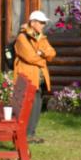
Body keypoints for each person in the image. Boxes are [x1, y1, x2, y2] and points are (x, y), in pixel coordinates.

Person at [14, 10, 56, 144]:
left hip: (39, 80)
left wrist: (41, 52)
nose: (43, 25)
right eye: (41, 22)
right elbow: (30, 57)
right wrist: (43, 59)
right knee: (29, 107)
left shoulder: (41, 37)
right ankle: (26, 134)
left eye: (44, 23)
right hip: (28, 78)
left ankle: (31, 134)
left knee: (37, 107)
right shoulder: (22, 38)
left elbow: (52, 53)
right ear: (33, 23)